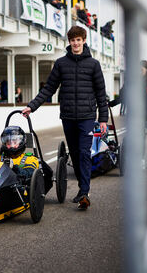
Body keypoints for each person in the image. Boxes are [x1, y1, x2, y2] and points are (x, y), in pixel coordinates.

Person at [22, 26, 108, 210]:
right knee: (75, 154)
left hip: (86, 116)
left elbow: (101, 94)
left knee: (85, 153)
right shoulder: (61, 64)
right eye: (72, 40)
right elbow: (48, 88)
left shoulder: (94, 64)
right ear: (69, 42)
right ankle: (81, 188)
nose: (75, 43)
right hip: (68, 116)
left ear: (84, 41)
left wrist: (103, 119)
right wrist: (32, 106)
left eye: (78, 40)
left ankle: (84, 191)